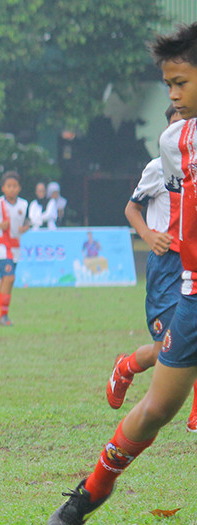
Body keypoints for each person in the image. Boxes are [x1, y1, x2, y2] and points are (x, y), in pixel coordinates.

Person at [45, 21, 197, 525]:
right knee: (156, 409)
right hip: (187, 284)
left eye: (180, 83)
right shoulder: (175, 142)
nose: (172, 96)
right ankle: (84, 499)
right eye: (169, 85)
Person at [107, 105, 197, 430]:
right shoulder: (157, 169)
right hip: (167, 265)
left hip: (194, 259)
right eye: (175, 128)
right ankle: (127, 366)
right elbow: (132, 209)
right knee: (165, 349)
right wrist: (147, 234)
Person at [0, 171, 30, 326]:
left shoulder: (24, 204)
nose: (12, 189)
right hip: (0, 246)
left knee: (4, 281)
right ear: (3, 188)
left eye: (14, 186)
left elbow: (27, 221)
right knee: (10, 278)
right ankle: (4, 315)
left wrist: (25, 228)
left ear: (19, 188)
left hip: (15, 246)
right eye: (9, 186)